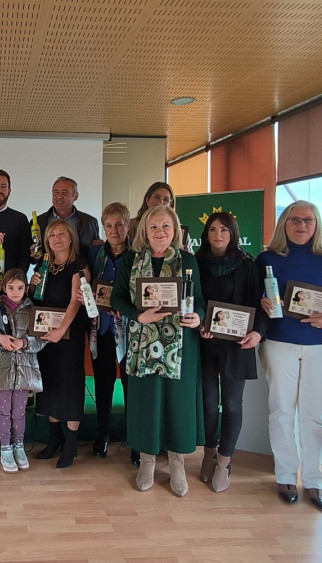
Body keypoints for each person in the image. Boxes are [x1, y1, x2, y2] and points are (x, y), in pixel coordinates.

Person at [255, 200, 322, 511]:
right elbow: (253, 295)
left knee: (314, 414)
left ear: (316, 224)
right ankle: (285, 475)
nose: (301, 225)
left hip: (321, 344)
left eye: (308, 220)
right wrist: (262, 302)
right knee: (281, 410)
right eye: (295, 219)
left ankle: (314, 479)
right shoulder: (266, 258)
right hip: (280, 341)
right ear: (284, 223)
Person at [110, 204, 204, 496]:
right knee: (145, 404)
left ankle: (177, 463)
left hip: (180, 347)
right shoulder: (131, 260)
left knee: (178, 404)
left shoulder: (188, 260)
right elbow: (117, 298)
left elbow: (199, 299)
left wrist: (198, 316)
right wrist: (138, 316)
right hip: (141, 344)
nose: (160, 232)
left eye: (165, 226)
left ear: (175, 230)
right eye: (153, 227)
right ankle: (147, 461)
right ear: (144, 231)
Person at [195, 211, 266, 493]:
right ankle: (209, 454)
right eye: (212, 230)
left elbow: (259, 302)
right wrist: (200, 326)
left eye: (224, 230)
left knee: (233, 404)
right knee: (209, 403)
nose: (218, 235)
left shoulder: (247, 263)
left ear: (233, 233)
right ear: (206, 234)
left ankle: (225, 461)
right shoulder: (197, 262)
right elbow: (192, 302)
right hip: (206, 341)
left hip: (238, 345)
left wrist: (257, 333)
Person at [30, 220, 89, 469]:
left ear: (71, 237)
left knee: (70, 384)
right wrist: (32, 285)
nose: (56, 238)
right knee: (50, 384)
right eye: (51, 234)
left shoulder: (79, 265)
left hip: (68, 334)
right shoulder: (43, 266)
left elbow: (76, 301)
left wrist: (61, 330)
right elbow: (36, 300)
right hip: (46, 335)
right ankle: (55, 439)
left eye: (61, 233)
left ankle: (72, 444)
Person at [0, 268, 46, 473]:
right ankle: (5, 449)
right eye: (11, 287)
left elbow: (42, 338)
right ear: (3, 287)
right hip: (2, 368)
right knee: (3, 412)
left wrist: (25, 342)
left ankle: (19, 446)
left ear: (26, 288)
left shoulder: (32, 309)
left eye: (20, 287)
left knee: (19, 413)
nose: (15, 291)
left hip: (25, 369)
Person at [87, 202, 134, 463]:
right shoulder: (95, 254)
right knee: (103, 386)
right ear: (103, 227)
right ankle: (102, 434)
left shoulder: (138, 254)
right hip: (102, 330)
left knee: (131, 386)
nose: (114, 230)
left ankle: (135, 438)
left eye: (119, 224)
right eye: (108, 225)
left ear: (128, 226)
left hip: (131, 331)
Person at [34, 177, 100, 258]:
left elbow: (96, 250)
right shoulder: (38, 222)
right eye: (56, 192)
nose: (59, 196)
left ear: (75, 196)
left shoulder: (90, 222)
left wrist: (99, 245)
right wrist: (35, 256)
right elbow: (33, 256)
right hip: (48, 269)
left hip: (81, 268)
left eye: (64, 192)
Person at [128, 182, 191, 250]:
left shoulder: (180, 230)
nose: (161, 202)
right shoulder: (130, 226)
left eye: (166, 200)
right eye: (157, 197)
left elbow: (189, 254)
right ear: (147, 200)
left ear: (170, 205)